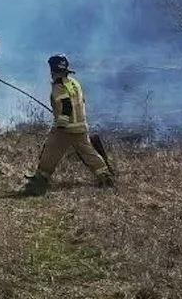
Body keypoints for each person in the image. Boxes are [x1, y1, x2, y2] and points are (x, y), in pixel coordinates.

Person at [21, 54, 113, 194]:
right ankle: (105, 176)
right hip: (80, 125)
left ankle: (41, 177)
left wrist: (61, 124)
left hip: (66, 128)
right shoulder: (74, 83)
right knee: (88, 152)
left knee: (51, 150)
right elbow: (80, 103)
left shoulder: (59, 86)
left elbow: (66, 106)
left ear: (53, 70)